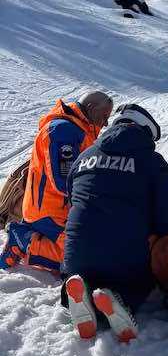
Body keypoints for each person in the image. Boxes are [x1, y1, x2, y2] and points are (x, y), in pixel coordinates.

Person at [62, 103, 168, 341]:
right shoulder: (152, 161)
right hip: (122, 258)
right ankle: (121, 300)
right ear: (146, 133)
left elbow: (71, 198)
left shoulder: (84, 156)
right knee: (139, 278)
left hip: (76, 254)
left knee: (83, 267)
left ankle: (77, 291)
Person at [0, 92, 113, 272]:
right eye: (105, 116)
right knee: (80, 257)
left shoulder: (79, 131)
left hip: (58, 208)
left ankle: (29, 239)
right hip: (50, 211)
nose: (106, 122)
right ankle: (23, 239)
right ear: (91, 109)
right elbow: (64, 179)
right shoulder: (63, 131)